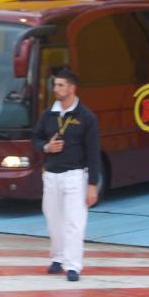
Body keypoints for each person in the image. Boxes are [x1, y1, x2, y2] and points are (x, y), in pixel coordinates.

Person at [31, 66, 100, 281]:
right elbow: (35, 138)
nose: (55, 89)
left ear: (71, 88)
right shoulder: (48, 114)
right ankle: (58, 258)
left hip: (75, 175)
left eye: (60, 85)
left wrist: (92, 184)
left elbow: (93, 152)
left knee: (74, 221)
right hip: (51, 175)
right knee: (53, 220)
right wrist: (46, 147)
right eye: (55, 85)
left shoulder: (86, 117)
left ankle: (73, 266)